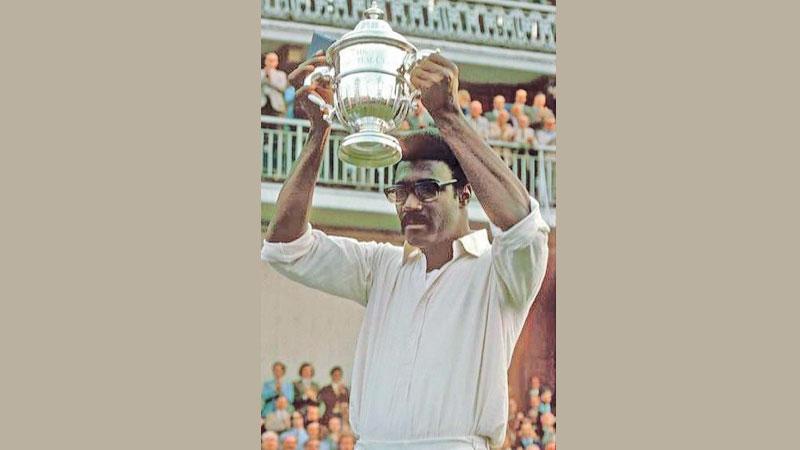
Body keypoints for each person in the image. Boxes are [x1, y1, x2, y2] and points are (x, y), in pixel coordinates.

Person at [263, 51, 549, 449]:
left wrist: (448, 115)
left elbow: (524, 228)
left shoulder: (499, 273)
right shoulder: (381, 266)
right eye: (401, 192)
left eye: (427, 189)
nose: (410, 205)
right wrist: (317, 132)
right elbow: (284, 246)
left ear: (465, 194)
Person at [262, 52, 289, 117]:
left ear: (277, 62)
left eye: (273, 61)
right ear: (265, 61)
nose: (271, 62)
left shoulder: (281, 74)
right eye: (269, 60)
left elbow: (283, 88)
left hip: (276, 106)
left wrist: (270, 81)